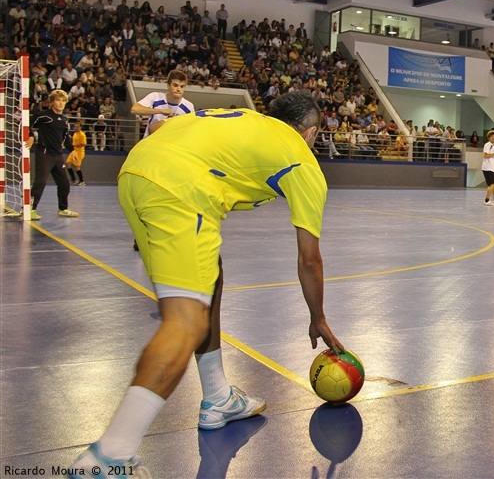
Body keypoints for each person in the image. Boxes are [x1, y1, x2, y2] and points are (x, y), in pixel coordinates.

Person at [67, 91, 344, 478]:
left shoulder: (240, 117)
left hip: (135, 173)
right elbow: (309, 259)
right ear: (311, 132)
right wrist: (318, 317)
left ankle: (217, 397)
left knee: (208, 278)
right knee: (185, 322)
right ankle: (107, 458)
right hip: (179, 187)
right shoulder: (302, 160)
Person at [25, 90, 79, 220]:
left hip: (57, 155)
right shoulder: (44, 116)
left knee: (64, 182)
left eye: (63, 101)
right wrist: (31, 136)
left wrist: (73, 150)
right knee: (40, 181)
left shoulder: (65, 120)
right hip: (44, 153)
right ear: (52, 102)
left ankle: (63, 208)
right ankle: (30, 209)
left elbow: (65, 137)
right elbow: (26, 124)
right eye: (58, 100)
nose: (61, 103)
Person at [130, 69, 194, 137]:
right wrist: (160, 111)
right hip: (152, 142)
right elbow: (134, 109)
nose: (178, 89)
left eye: (182, 86)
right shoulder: (156, 97)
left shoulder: (188, 106)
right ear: (168, 86)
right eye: (175, 85)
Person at [65, 121, 87, 186]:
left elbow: (84, 144)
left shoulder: (82, 134)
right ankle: (73, 179)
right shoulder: (74, 133)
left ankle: (82, 181)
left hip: (79, 152)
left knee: (76, 166)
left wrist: (76, 146)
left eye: (77, 127)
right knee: (68, 163)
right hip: (73, 151)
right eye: (75, 126)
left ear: (80, 127)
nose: (76, 128)